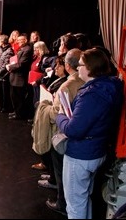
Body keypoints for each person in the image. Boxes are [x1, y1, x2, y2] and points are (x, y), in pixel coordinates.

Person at [55, 48, 123, 219]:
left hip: (81, 155)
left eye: (81, 65)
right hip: (97, 150)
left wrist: (60, 116)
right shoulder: (110, 86)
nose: (78, 68)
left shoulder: (92, 95)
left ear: (91, 68)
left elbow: (73, 130)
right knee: (83, 198)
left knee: (75, 204)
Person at [31, 48, 85, 216]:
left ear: (68, 66)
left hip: (61, 134)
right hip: (77, 137)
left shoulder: (68, 85)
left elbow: (56, 114)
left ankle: (61, 202)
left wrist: (45, 106)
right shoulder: (84, 81)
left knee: (61, 169)